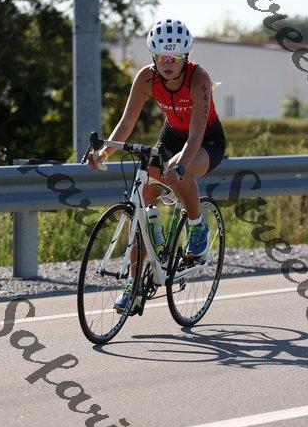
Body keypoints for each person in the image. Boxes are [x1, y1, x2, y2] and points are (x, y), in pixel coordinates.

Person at [87, 18, 226, 311]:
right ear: (154, 56)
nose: (167, 63)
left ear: (185, 56)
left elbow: (195, 136)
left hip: (205, 140)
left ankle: (197, 226)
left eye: (174, 58)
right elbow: (126, 123)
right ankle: (134, 284)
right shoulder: (146, 78)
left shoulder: (199, 79)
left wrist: (180, 166)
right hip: (171, 135)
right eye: (162, 57)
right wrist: (104, 154)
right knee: (141, 203)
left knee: (177, 169)